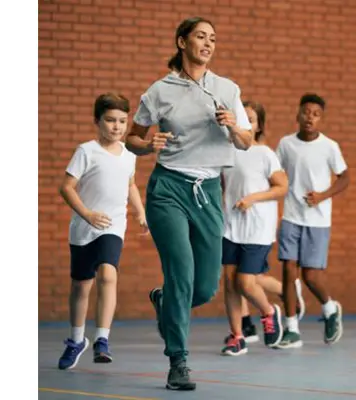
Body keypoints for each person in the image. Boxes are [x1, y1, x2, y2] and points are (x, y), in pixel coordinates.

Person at [125, 17, 253, 391]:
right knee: (181, 274)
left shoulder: (228, 89)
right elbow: (133, 137)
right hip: (168, 189)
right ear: (182, 42)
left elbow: (246, 141)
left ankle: (163, 301)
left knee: (204, 289)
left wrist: (232, 126)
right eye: (201, 36)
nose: (208, 43)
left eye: (213, 38)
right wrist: (148, 146)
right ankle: (178, 361)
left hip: (209, 190)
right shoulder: (160, 90)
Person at [57, 93, 147, 370]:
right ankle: (76, 340)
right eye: (110, 120)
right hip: (84, 226)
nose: (117, 126)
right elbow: (67, 187)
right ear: (97, 121)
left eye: (122, 121)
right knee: (81, 286)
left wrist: (140, 210)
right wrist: (87, 214)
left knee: (107, 273)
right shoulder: (86, 151)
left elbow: (130, 183)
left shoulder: (129, 154)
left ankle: (102, 339)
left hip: (113, 224)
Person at [221, 102, 306, 347]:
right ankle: (237, 336)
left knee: (246, 282)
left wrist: (252, 199)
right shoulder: (226, 152)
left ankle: (269, 312)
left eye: (251, 119)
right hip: (230, 227)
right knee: (229, 282)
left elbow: (282, 187)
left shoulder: (265, 154)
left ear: (258, 126)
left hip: (257, 229)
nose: (246, 122)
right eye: (242, 118)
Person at [275, 93, 350, 349]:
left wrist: (322, 196)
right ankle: (291, 329)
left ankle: (330, 309)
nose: (310, 117)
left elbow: (344, 178)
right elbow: (275, 174)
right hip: (291, 216)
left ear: (321, 119)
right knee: (287, 271)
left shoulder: (329, 147)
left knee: (311, 277)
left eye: (316, 114)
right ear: (298, 115)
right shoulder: (285, 144)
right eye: (306, 112)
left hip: (317, 220)